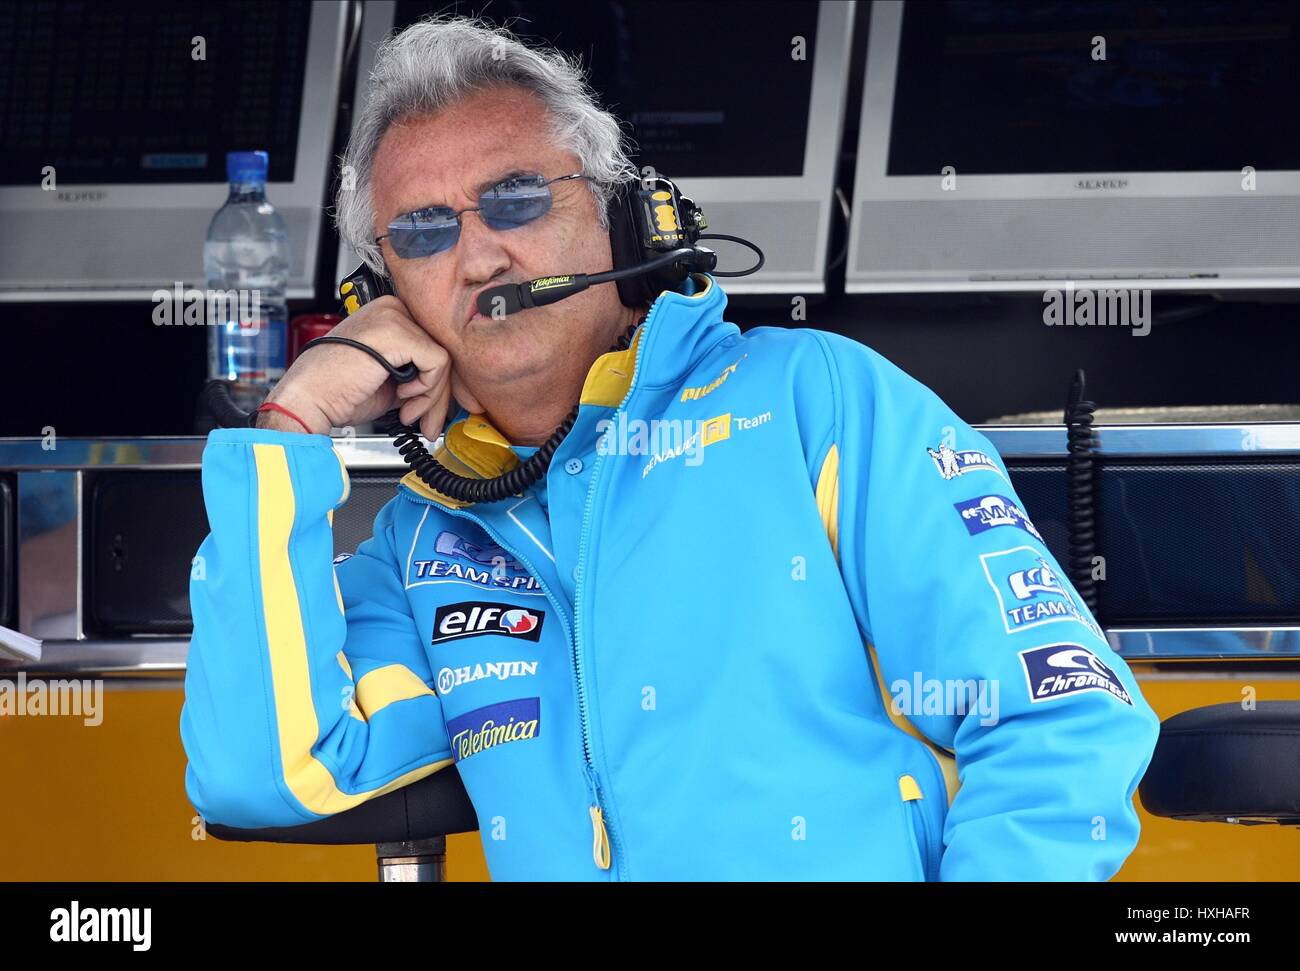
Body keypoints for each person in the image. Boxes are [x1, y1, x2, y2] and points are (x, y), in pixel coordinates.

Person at [180, 15, 1160, 881]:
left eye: (518, 200)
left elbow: (1059, 723)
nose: (479, 258)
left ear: (618, 217)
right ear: (380, 294)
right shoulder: (421, 540)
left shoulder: (814, 401)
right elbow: (264, 776)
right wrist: (290, 428)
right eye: (424, 231)